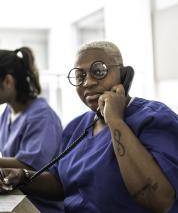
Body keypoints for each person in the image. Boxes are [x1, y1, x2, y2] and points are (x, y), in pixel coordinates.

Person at [0, 41, 178, 213]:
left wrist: (115, 120)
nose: (87, 82)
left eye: (99, 71)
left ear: (124, 75)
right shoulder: (77, 126)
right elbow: (62, 183)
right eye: (80, 76)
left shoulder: (153, 117)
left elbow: (160, 200)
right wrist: (22, 176)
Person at [0, 47, 64, 213]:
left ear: (7, 81)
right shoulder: (8, 111)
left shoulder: (42, 117)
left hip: (39, 206)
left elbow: (30, 166)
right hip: (15, 196)